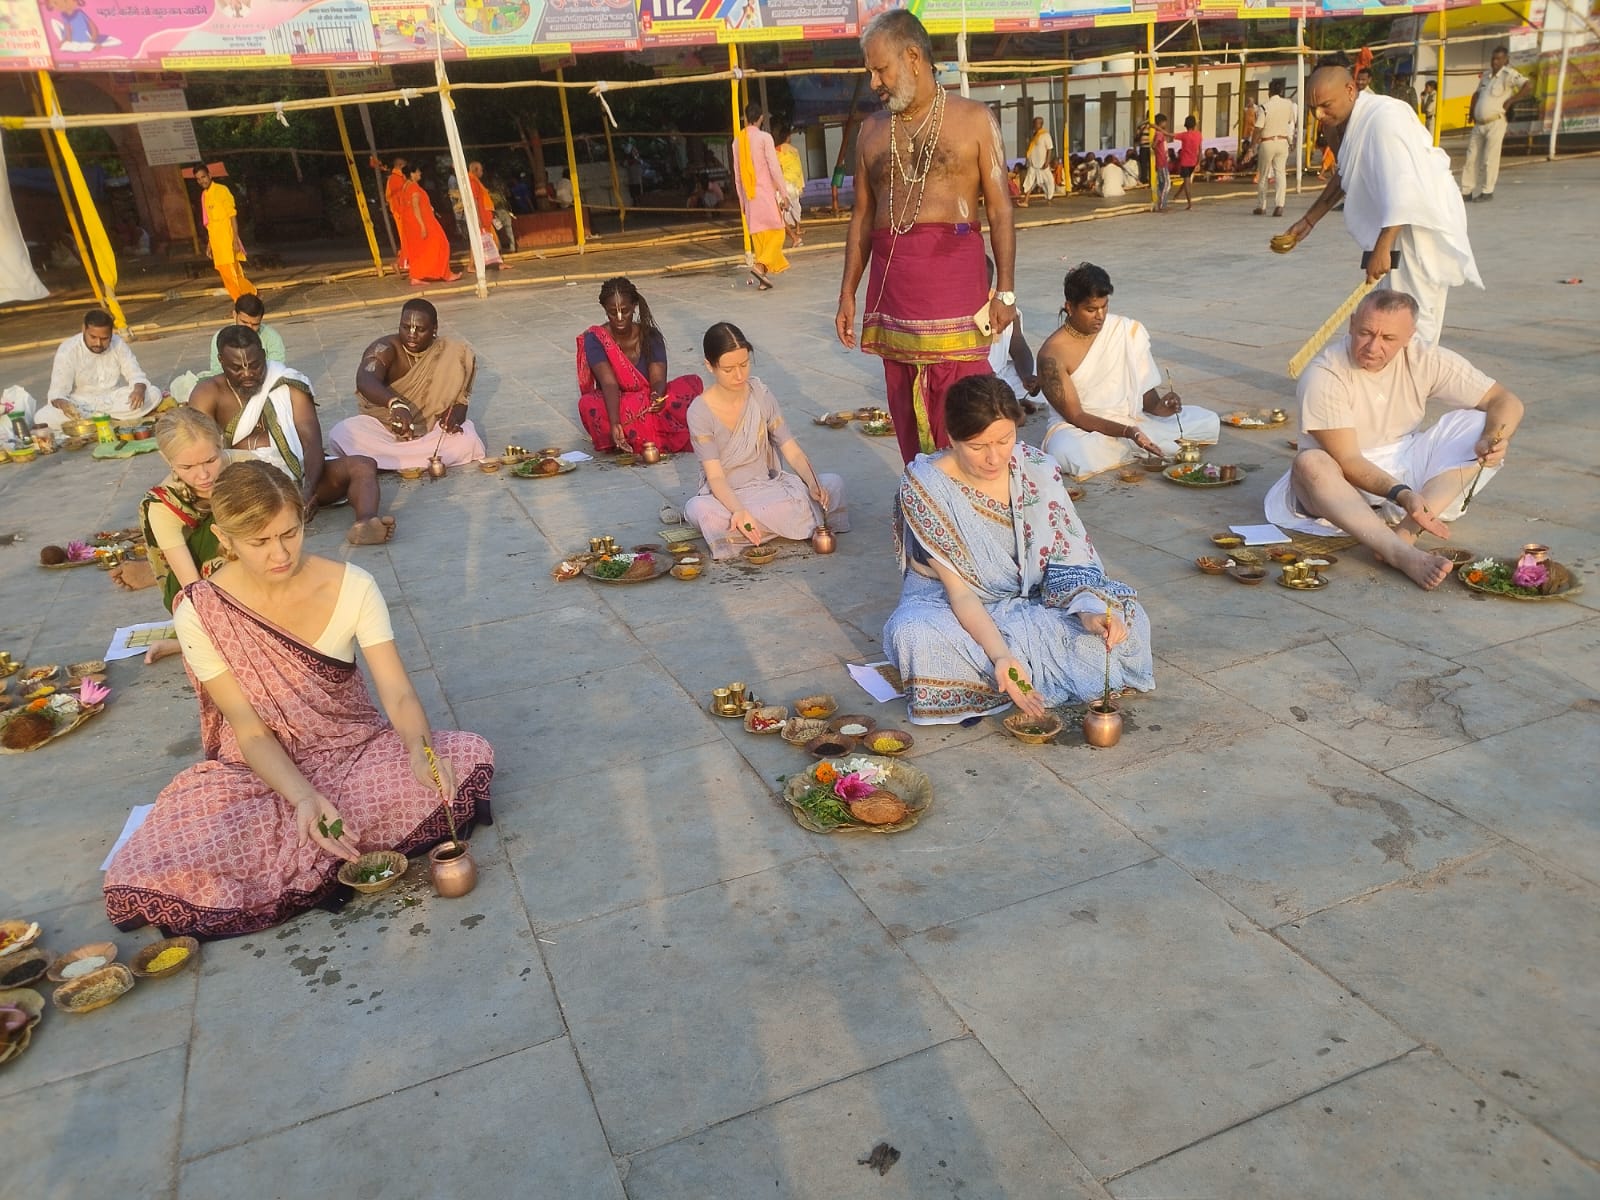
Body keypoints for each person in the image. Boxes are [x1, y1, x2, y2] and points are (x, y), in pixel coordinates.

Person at [103, 460, 495, 938]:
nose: (280, 553)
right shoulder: (201, 612)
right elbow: (247, 729)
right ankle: (309, 829)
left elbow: (395, 691)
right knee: (159, 858)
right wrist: (305, 798)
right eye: (259, 541)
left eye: (289, 533)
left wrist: (419, 748)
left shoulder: (352, 586)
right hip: (257, 771)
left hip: (354, 750)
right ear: (224, 539)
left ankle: (311, 836)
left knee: (465, 755)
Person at [882, 374, 1154, 724]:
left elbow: (1070, 559)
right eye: (978, 446)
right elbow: (961, 596)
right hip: (948, 603)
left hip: (1035, 596)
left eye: (1005, 439)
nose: (994, 458)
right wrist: (1002, 659)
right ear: (951, 438)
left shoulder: (1036, 468)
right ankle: (1011, 668)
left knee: (1126, 621)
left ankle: (1017, 665)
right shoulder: (926, 487)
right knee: (915, 634)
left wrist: (1088, 612)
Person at [836, 9, 1017, 465]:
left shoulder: (974, 119)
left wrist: (1008, 294)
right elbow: (862, 216)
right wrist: (847, 293)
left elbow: (999, 208)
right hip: (894, 293)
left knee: (967, 407)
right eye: (871, 71)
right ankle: (925, 502)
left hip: (955, 289)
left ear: (913, 57)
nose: (875, 81)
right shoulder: (871, 132)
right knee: (902, 400)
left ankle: (978, 507)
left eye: (881, 69)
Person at [1262, 290, 1524, 591]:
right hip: (1342, 485)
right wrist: (1402, 495)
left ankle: (1408, 531)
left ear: (1409, 337)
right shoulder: (1324, 374)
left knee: (1477, 422)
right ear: (1351, 325)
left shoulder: (1425, 357)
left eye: (1388, 338)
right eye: (1365, 333)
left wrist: (1493, 437)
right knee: (1310, 462)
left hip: (1407, 465)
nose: (1373, 346)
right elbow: (1348, 460)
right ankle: (1400, 554)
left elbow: (1505, 400)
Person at [1281, 65, 1479, 346]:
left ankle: (1413, 381)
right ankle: (1394, 378)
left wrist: (1383, 246)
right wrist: (1310, 220)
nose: (1318, 116)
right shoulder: (1349, 123)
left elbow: (1405, 184)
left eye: (1325, 106)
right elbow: (1347, 171)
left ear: (1351, 90)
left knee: (1411, 314)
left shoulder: (1384, 120)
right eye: (1313, 108)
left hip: (1416, 225)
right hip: (1395, 221)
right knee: (1389, 307)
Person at [190, 326, 394, 545]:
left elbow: (311, 441)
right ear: (221, 361)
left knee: (362, 465)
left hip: (298, 476)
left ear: (264, 355)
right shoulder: (207, 394)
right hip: (249, 485)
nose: (248, 374)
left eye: (255, 365)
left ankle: (365, 523)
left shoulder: (287, 381)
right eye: (237, 368)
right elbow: (197, 451)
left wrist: (308, 490)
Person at [1037, 262, 1220, 479]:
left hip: (1131, 420)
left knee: (1208, 421)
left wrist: (1161, 407)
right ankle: (1136, 444)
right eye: (1090, 309)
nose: (1100, 316)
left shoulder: (1123, 329)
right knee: (1069, 453)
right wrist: (1128, 432)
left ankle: (1135, 444)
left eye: (1104, 307)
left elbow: (1144, 393)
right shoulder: (1051, 355)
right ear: (1069, 307)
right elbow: (1076, 416)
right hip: (1081, 429)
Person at [684, 322, 848, 559]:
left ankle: (752, 531)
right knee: (699, 510)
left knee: (833, 484)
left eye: (744, 364)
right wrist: (739, 510)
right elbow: (716, 477)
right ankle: (781, 525)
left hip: (769, 488)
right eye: (729, 369)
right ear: (710, 366)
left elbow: (790, 449)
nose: (739, 375)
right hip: (728, 497)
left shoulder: (760, 394)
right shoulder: (699, 411)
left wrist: (812, 483)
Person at [331, 299, 484, 470]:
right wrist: (395, 404)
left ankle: (385, 461)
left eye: (420, 329)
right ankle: (419, 459)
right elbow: (365, 379)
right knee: (342, 433)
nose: (411, 334)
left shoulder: (452, 354)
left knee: (467, 438)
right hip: (386, 429)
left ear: (434, 329)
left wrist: (452, 419)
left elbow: (461, 404)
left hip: (431, 431)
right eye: (405, 327)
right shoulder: (385, 347)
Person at [576, 276, 704, 454]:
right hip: (616, 402)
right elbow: (609, 383)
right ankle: (626, 432)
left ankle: (634, 434)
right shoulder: (595, 338)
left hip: (646, 401)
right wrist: (614, 422)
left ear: (634, 306)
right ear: (604, 309)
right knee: (588, 404)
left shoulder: (650, 335)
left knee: (688, 387)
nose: (620, 318)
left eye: (625, 311)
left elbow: (658, 378)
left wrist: (656, 396)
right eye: (613, 312)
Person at [37, 308, 157, 430]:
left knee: (153, 394)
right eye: (93, 337)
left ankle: (94, 424)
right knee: (43, 417)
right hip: (82, 405)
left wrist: (139, 390)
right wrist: (64, 405)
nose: (98, 343)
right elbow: (57, 392)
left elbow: (136, 374)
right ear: (84, 329)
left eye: (104, 339)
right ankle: (109, 421)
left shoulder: (118, 343)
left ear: (111, 333)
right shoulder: (68, 349)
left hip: (114, 401)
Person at [1462, 46, 1532, 203]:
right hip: (1479, 123)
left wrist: (1512, 100)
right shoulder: (1486, 76)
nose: (1495, 62)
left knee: (1489, 158)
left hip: (1496, 121)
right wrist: (1473, 110)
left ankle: (1487, 191)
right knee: (1471, 157)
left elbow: (1527, 85)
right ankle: (1466, 191)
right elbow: (1477, 94)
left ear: (1505, 60)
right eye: (1493, 58)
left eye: (1498, 59)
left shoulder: (1509, 75)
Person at [734, 104, 791, 290]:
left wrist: (742, 202)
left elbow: (737, 176)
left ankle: (763, 280)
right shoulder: (764, 138)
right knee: (778, 232)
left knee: (761, 238)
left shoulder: (737, 141)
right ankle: (759, 267)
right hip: (764, 193)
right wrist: (784, 193)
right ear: (760, 118)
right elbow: (774, 167)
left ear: (745, 117)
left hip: (749, 196)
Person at [193, 165, 254, 301]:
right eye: (198, 179)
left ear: (209, 175)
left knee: (232, 277)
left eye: (203, 177)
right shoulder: (204, 196)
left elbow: (232, 216)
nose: (202, 181)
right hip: (217, 244)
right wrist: (210, 245)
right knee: (231, 277)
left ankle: (242, 304)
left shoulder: (222, 191)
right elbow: (210, 224)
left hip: (227, 241)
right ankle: (251, 296)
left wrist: (235, 240)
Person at [985, 257, 1039, 410]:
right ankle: (1011, 404)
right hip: (974, 381)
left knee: (1046, 373)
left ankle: (1011, 402)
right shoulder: (958, 309)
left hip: (1001, 376)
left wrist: (1027, 376)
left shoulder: (1001, 305)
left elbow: (1019, 347)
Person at [398, 164, 460, 285]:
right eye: (418, 172)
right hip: (422, 222)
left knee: (419, 250)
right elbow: (415, 206)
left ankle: (416, 275)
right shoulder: (414, 187)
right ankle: (445, 273)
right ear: (412, 174)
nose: (420, 174)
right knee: (442, 244)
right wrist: (422, 225)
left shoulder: (405, 186)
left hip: (411, 223)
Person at [206, 293, 285, 375]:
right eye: (244, 322)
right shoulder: (221, 337)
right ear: (234, 315)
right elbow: (217, 372)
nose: (249, 328)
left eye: (255, 324)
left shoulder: (272, 337)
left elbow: (276, 370)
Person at [1252, 78, 1298, 218]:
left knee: (1264, 175)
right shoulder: (1288, 104)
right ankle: (1279, 205)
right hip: (1283, 142)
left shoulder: (1264, 107)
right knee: (1280, 174)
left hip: (1267, 142)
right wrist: (1292, 140)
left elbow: (1258, 128)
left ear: (1269, 92)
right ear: (1282, 91)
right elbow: (1291, 122)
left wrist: (1251, 147)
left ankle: (1262, 205)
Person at [466, 161, 506, 272]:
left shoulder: (474, 180)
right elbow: (474, 200)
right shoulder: (473, 181)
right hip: (481, 217)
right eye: (481, 170)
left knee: (476, 241)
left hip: (484, 216)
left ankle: (471, 265)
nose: (482, 172)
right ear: (475, 170)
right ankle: (498, 264)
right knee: (493, 240)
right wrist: (478, 218)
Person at [773, 120, 806, 249]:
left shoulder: (777, 150)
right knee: (794, 209)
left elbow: (777, 170)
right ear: (787, 137)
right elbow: (799, 170)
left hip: (784, 186)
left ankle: (794, 237)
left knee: (778, 215)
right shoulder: (795, 150)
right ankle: (796, 232)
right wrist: (801, 186)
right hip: (794, 186)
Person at [384, 157, 409, 275]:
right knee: (405, 237)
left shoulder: (398, 178)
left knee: (407, 237)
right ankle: (400, 262)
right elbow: (397, 197)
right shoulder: (395, 179)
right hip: (400, 212)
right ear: (401, 166)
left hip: (402, 211)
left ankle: (403, 261)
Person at [1022, 116, 1056, 202]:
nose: (1034, 125)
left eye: (1036, 123)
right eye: (1034, 123)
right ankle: (1025, 201)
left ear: (1041, 124)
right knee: (1029, 182)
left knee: (1049, 182)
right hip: (1033, 164)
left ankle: (1049, 199)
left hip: (1042, 164)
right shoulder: (1034, 135)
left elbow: (1049, 149)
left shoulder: (1045, 135)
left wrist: (1047, 162)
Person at [1172, 116, 1203, 210]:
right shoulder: (1198, 134)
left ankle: (1189, 203)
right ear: (1195, 125)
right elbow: (1200, 150)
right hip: (1194, 162)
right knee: (1187, 180)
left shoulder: (1184, 135)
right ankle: (1176, 195)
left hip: (1185, 163)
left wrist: (1157, 129)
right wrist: (1199, 163)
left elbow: (1169, 134)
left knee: (1186, 182)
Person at [1150, 115, 1172, 212]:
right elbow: (1154, 145)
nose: (1166, 124)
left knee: (1162, 184)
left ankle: (1161, 202)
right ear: (1161, 122)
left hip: (1162, 161)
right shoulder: (1159, 134)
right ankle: (1162, 204)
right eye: (1164, 122)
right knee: (1167, 184)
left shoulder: (1159, 133)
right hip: (1162, 162)